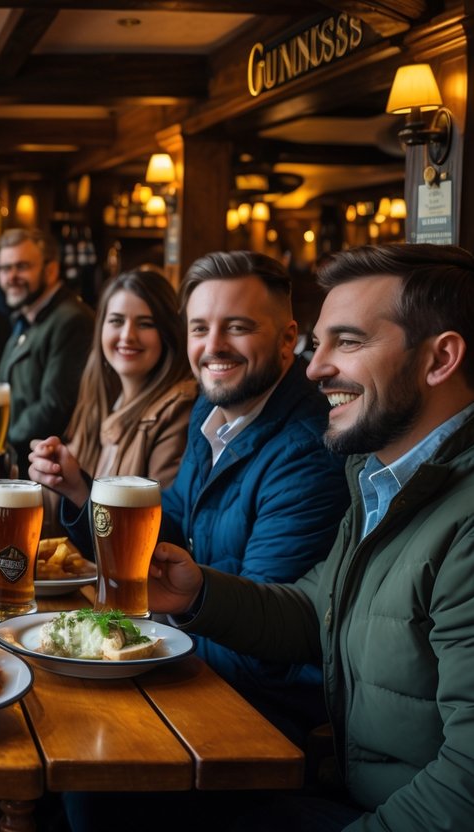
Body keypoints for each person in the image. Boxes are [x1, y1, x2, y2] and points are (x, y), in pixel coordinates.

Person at [145, 243, 474, 830]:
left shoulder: (462, 517)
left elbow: (466, 786)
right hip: (344, 787)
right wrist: (197, 595)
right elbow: (312, 611)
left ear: (440, 358)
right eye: (317, 344)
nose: (316, 367)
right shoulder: (380, 477)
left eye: (346, 342)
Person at [31, 250, 348, 741]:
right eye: (200, 329)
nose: (213, 347)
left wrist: (126, 653)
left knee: (72, 751)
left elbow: (263, 643)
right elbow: (167, 526)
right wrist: (81, 491)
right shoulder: (217, 406)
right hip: (201, 670)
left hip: (258, 714)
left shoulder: (306, 452)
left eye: (237, 327)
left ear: (289, 339)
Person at [61, 266, 197, 489]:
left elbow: (160, 516)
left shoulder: (178, 410)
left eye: (145, 324)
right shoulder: (101, 400)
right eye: (116, 321)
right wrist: (52, 475)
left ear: (168, 334)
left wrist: (76, 489)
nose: (127, 336)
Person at [0, 228, 94, 476]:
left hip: (47, 473)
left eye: (22, 267)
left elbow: (54, 406)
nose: (11, 277)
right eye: (5, 269)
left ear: (51, 270)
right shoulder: (26, 316)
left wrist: (1, 440)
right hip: (19, 464)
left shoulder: (72, 320)